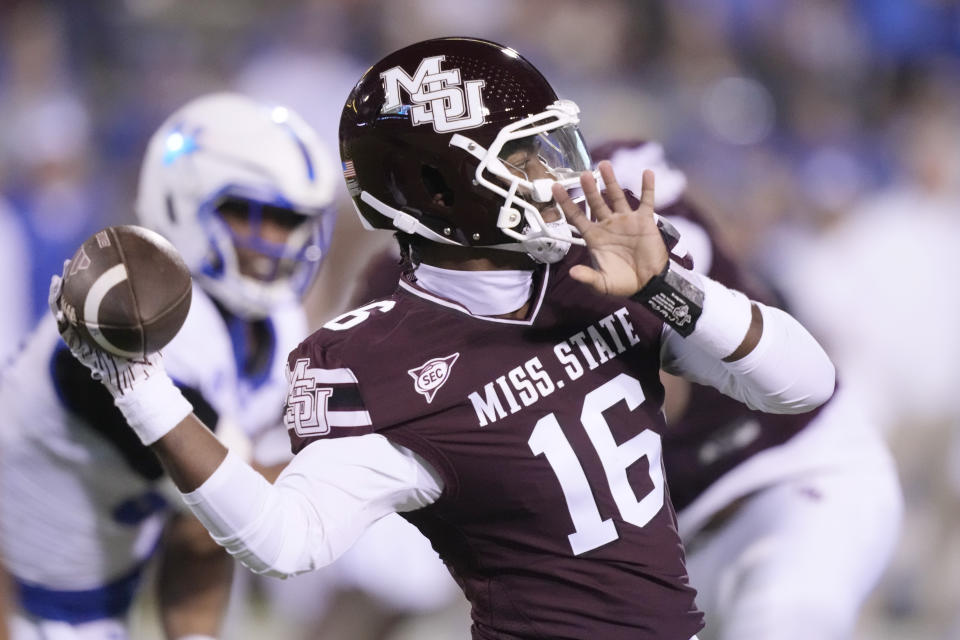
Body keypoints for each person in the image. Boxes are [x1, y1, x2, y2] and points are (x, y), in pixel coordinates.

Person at [49, 38, 836, 640]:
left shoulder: (603, 271)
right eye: (523, 157)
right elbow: (286, 540)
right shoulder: (374, 358)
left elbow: (802, 383)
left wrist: (673, 285)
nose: (553, 177)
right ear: (437, 190)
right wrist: (137, 387)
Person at [0, 93, 337, 639]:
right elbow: (246, 502)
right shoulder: (133, 315)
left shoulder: (274, 324)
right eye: (256, 215)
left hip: (100, 602)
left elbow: (202, 535)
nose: (280, 242)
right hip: (20, 600)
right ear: (184, 203)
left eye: (293, 220)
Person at [593, 140, 904, 640]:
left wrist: (660, 285)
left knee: (783, 618)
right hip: (672, 559)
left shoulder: (623, 198)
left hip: (795, 476)